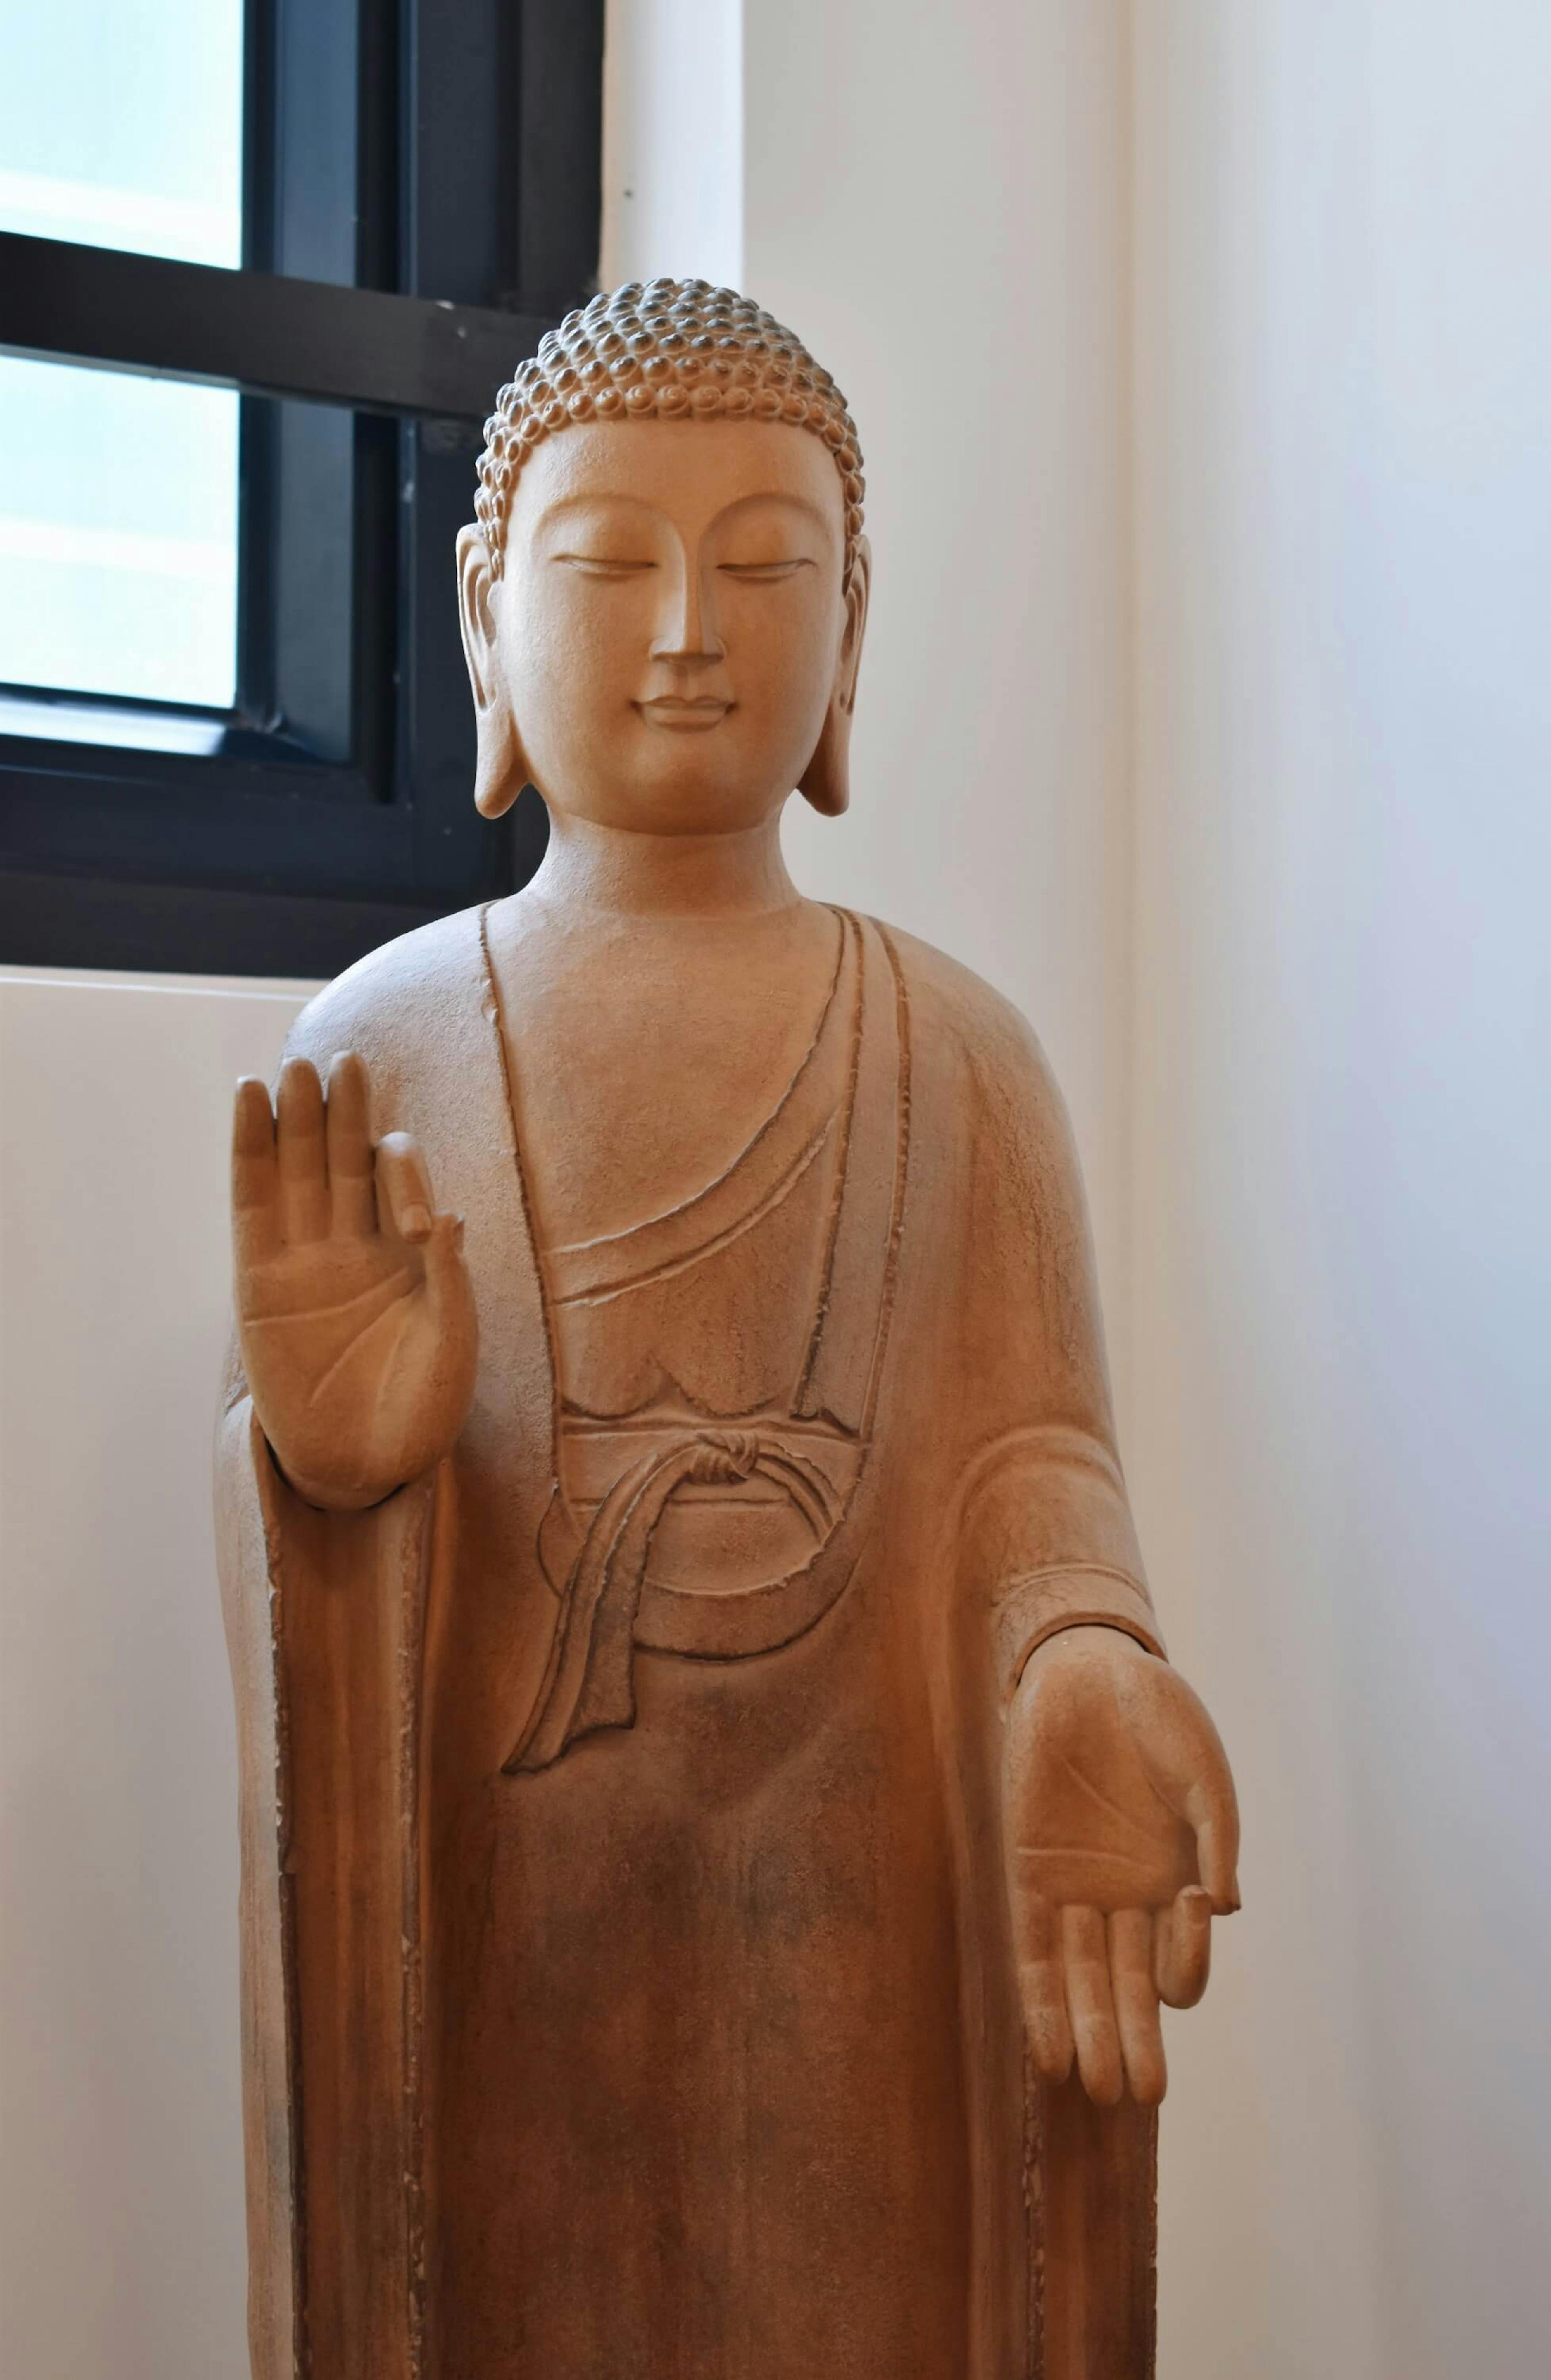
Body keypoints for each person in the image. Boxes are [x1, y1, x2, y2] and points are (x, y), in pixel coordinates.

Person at [217, 278, 1239, 2380]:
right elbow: (315, 1573)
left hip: (867, 1927)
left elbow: (1036, 1466)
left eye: (767, 570)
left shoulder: (963, 1061)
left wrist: (1085, 1660)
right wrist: (334, 1480)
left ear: (852, 634)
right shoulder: (384, 1045)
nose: (690, 632)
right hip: (514, 1943)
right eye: (612, 567)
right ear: (489, 618)